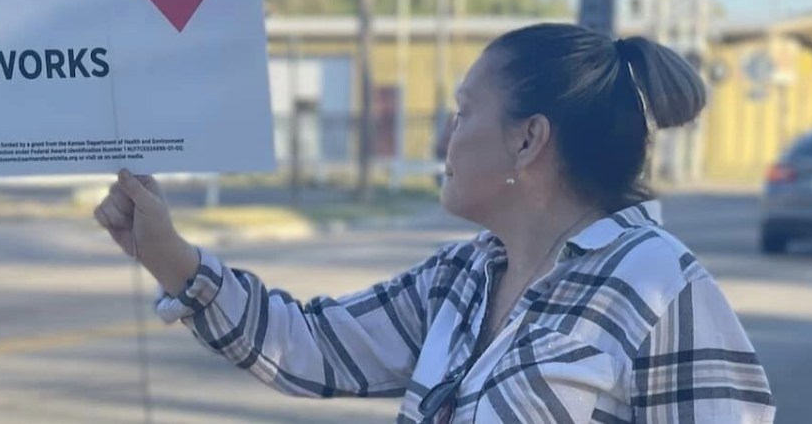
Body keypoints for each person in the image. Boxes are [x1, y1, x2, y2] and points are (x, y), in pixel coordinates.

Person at [93, 23, 775, 423]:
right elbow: (312, 346)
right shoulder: (464, 274)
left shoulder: (659, 284)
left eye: (463, 111)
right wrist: (169, 254)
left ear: (528, 140)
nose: (445, 137)